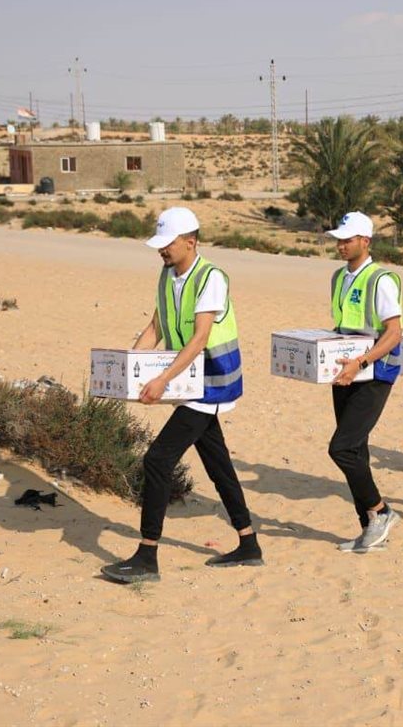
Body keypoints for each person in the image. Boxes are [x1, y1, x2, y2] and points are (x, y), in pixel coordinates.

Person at [102, 207, 261, 583]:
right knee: (218, 465)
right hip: (188, 381)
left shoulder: (211, 278)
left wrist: (161, 380)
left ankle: (147, 557)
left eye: (168, 243)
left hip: (211, 383)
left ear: (191, 241)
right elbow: (156, 326)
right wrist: (130, 367)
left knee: (158, 460)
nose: (162, 250)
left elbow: (200, 338)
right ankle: (249, 543)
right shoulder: (166, 275)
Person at [326, 212, 403, 552]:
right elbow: (344, 326)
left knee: (341, 448)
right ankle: (370, 530)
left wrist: (361, 361)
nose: (341, 245)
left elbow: (394, 332)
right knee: (356, 449)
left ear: (365, 241)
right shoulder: (338, 277)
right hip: (345, 371)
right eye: (339, 240)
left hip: (375, 372)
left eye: (348, 240)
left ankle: (381, 511)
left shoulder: (380, 280)